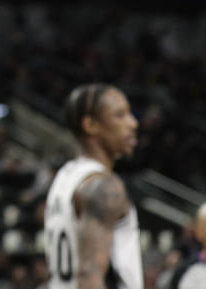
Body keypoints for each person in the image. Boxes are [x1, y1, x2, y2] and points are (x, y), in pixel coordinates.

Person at [43, 83, 142, 289]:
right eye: (120, 115)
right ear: (91, 125)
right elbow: (89, 274)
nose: (133, 123)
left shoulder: (65, 176)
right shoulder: (104, 186)